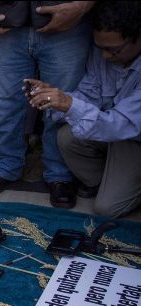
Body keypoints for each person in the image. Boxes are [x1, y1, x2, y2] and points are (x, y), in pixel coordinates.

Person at [0, 0, 95, 208]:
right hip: (7, 18)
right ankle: (5, 167)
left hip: (67, 22)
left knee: (61, 102)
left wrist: (83, 6)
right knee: (2, 104)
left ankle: (60, 175)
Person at [27, 1, 141, 218]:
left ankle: (125, 186)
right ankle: (112, 182)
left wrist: (69, 104)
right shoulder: (102, 55)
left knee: (105, 209)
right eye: (101, 48)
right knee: (67, 138)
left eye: (113, 49)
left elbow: (119, 125)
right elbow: (89, 96)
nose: (106, 57)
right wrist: (55, 99)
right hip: (113, 133)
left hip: (134, 140)